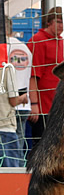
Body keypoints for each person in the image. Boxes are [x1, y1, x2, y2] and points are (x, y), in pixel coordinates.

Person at [27, 6, 64, 145]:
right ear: (49, 21)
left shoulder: (62, 41)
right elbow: (32, 75)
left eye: (63, 23)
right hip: (43, 108)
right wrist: (35, 104)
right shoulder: (38, 41)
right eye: (58, 21)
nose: (61, 26)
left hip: (57, 105)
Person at [6, 16, 33, 165]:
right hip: (24, 103)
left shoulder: (4, 48)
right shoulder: (25, 48)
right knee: (18, 147)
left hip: (7, 105)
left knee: (7, 150)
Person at [0, 55, 28, 167]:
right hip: (5, 127)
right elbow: (13, 100)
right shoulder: (7, 67)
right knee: (10, 174)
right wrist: (23, 98)